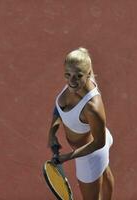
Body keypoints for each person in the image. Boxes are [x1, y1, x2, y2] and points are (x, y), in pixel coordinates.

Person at [48, 47, 114, 200]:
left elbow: (99, 143)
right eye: (68, 75)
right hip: (98, 135)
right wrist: (52, 133)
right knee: (105, 171)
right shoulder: (74, 84)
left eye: (78, 76)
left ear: (88, 74)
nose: (71, 81)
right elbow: (59, 108)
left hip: (91, 155)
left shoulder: (92, 108)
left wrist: (68, 157)